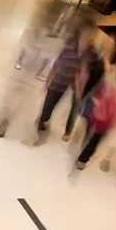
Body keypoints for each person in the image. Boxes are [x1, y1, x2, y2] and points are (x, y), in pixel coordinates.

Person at [34, 18, 96, 146]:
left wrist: (79, 89)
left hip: (72, 84)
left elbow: (83, 72)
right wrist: (47, 81)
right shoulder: (70, 44)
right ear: (81, 31)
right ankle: (39, 125)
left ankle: (60, 128)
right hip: (59, 79)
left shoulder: (89, 51)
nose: (89, 36)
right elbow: (57, 62)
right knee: (48, 105)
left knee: (65, 107)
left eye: (91, 34)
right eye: (88, 32)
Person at [73, 69, 116, 173]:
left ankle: (83, 154)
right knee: (95, 138)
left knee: (93, 136)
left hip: (103, 117)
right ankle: (82, 158)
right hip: (104, 118)